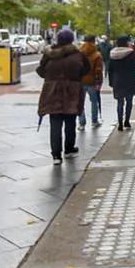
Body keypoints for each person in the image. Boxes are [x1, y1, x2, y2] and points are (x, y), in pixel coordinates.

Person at [36, 28, 89, 165]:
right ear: (71, 40)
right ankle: (69, 149)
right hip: (71, 91)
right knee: (70, 121)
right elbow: (86, 69)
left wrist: (51, 78)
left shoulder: (49, 54)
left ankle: (56, 155)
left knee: (55, 123)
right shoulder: (78, 54)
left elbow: (41, 71)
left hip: (52, 91)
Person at [107, 35, 135, 131]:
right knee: (129, 102)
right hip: (129, 81)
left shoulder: (113, 54)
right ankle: (127, 120)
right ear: (126, 43)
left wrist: (111, 82)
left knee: (119, 102)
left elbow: (110, 70)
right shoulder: (130, 53)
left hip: (117, 81)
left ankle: (120, 123)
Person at [77, 34, 104, 130]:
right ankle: (94, 121)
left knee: (80, 102)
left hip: (80, 81)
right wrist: (99, 82)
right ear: (94, 41)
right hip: (92, 81)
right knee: (94, 101)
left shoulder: (79, 53)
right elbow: (98, 70)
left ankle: (81, 123)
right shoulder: (96, 54)